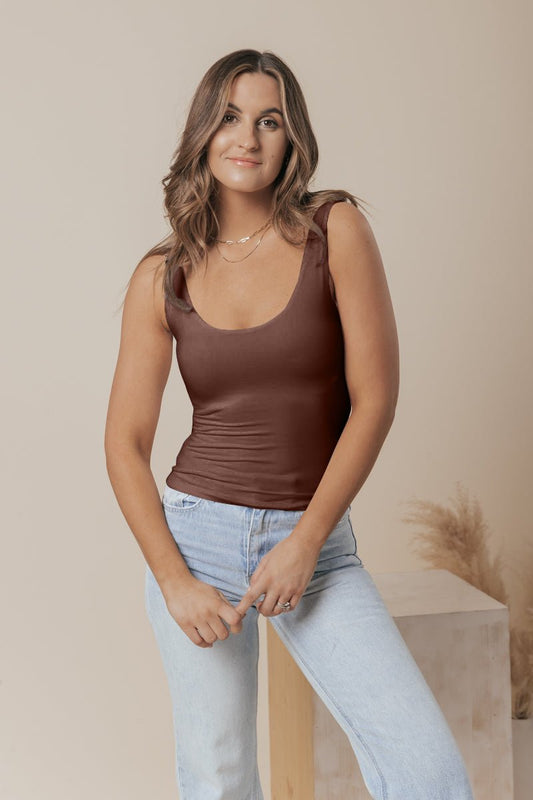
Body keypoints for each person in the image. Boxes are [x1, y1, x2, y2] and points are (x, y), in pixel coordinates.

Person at [104, 49, 474, 800]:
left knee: (426, 772)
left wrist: (305, 543)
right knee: (219, 779)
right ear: (204, 132)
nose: (248, 137)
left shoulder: (332, 231)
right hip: (194, 542)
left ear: (291, 135)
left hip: (314, 547)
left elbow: (374, 399)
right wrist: (173, 581)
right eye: (230, 117)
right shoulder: (162, 274)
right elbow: (124, 444)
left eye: (268, 119)